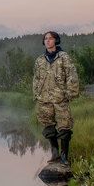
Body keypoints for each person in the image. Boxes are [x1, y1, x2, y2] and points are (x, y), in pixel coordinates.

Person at [33, 31, 80, 165]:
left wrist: (70, 93)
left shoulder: (63, 57)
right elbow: (36, 79)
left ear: (56, 41)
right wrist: (36, 94)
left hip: (60, 97)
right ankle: (55, 154)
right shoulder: (40, 60)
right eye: (46, 39)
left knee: (64, 126)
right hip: (44, 99)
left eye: (51, 38)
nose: (48, 41)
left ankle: (64, 157)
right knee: (48, 126)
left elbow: (72, 75)